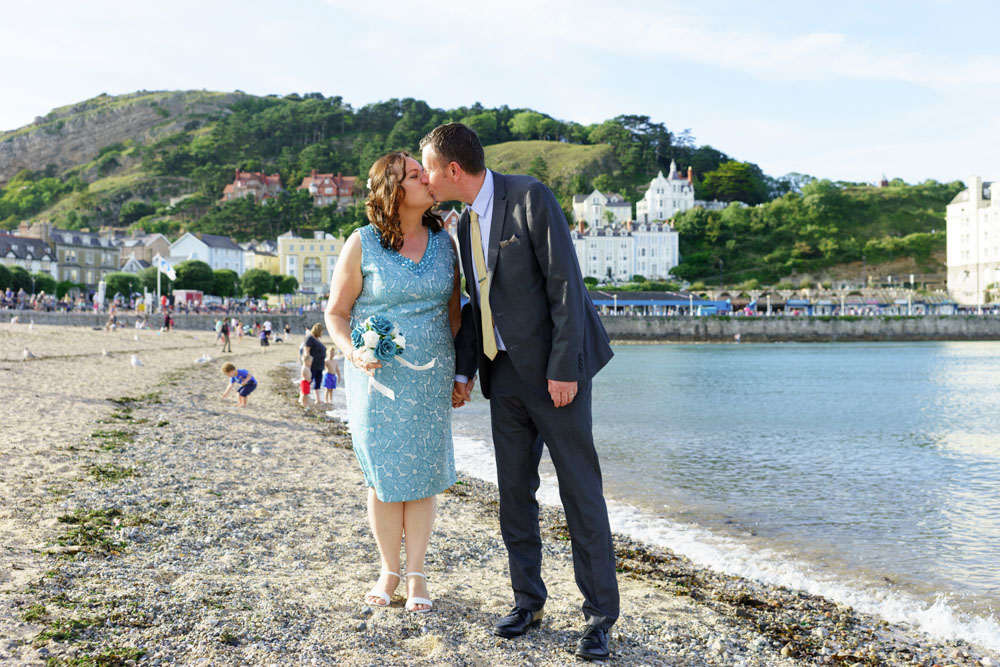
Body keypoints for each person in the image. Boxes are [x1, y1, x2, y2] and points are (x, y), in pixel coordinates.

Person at [421, 123, 618, 661]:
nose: (426, 180)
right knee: (514, 495)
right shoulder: (461, 227)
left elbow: (565, 286)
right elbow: (474, 308)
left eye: (428, 170)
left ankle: (599, 618)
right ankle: (528, 601)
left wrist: (564, 369)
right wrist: (465, 373)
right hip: (501, 375)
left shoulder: (530, 196)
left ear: (452, 170)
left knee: (580, 491)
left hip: (557, 376)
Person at [324, 151, 462, 613]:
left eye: (425, 173)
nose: (427, 179)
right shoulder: (362, 242)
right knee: (384, 477)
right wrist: (353, 353)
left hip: (431, 377)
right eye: (414, 175)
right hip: (376, 378)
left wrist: (461, 373)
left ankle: (418, 573)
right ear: (392, 190)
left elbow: (454, 315)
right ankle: (389, 570)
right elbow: (336, 313)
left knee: (421, 476)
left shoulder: (448, 242)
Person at [302, 323, 327, 404]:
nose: (322, 333)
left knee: (318, 382)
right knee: (308, 382)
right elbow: (306, 351)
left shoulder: (316, 339)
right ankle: (302, 397)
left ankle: (318, 399)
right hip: (312, 365)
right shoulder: (310, 338)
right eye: (321, 331)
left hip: (319, 365)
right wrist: (307, 365)